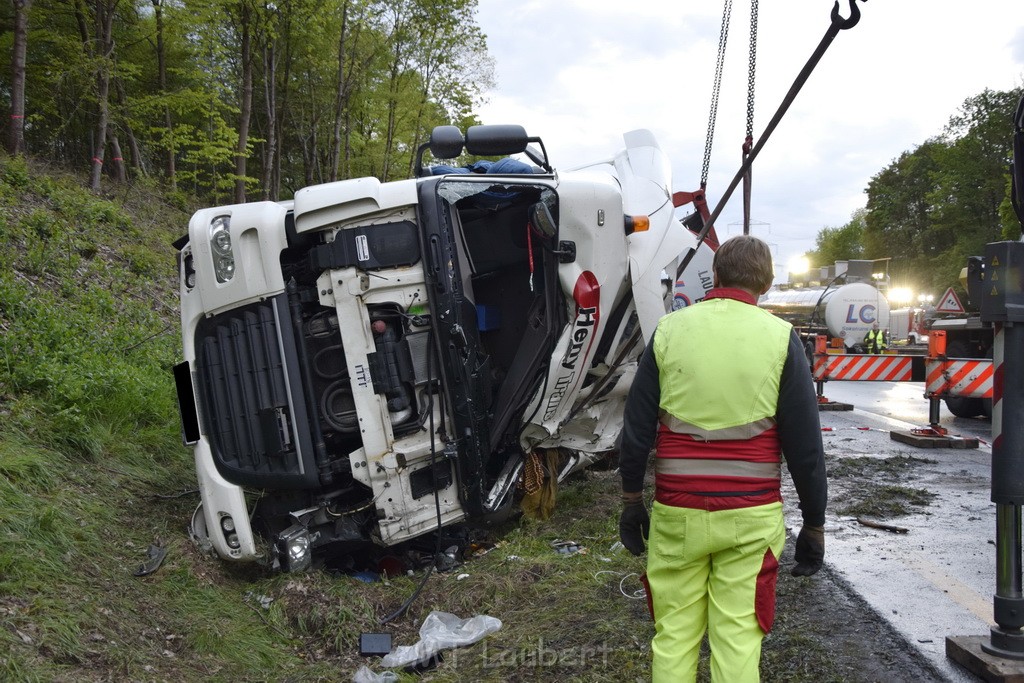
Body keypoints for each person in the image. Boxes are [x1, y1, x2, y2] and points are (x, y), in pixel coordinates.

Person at [617, 235, 828, 682]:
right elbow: (805, 448)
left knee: (672, 637)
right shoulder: (780, 338)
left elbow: (635, 434)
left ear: (714, 276)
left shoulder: (669, 331)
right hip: (750, 520)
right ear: (767, 284)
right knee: (737, 642)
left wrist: (631, 501)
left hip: (677, 515)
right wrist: (814, 523)